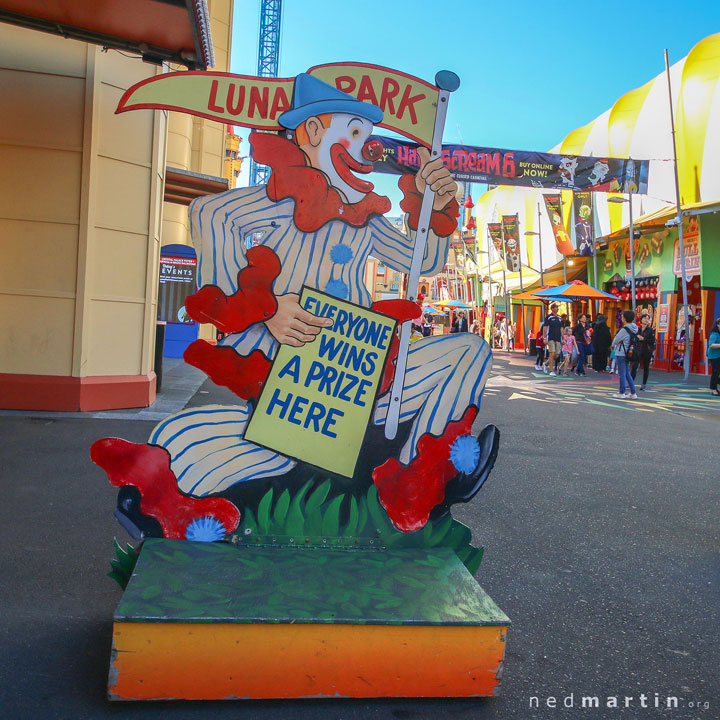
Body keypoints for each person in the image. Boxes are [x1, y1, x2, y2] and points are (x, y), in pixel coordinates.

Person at [611, 309, 639, 399]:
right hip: (629, 352)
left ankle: (622, 392)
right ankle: (633, 392)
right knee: (627, 373)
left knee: (622, 373)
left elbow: (615, 341)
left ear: (625, 318)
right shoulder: (635, 328)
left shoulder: (624, 330)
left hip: (621, 352)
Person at [630, 313, 656, 390]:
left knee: (646, 367)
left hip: (647, 351)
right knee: (634, 366)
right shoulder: (637, 329)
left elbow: (652, 340)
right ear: (641, 319)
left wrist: (643, 339)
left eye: (648, 318)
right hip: (638, 350)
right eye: (644, 318)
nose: (646, 320)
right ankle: (631, 383)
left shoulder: (650, 330)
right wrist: (637, 337)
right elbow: (633, 338)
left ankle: (643, 384)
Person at [542, 303, 563, 377]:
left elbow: (561, 328)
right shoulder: (549, 317)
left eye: (557, 307)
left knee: (557, 355)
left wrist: (563, 337)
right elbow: (545, 327)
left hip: (558, 337)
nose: (557, 309)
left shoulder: (560, 318)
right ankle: (551, 370)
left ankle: (546, 363)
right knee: (552, 353)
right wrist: (544, 337)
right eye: (556, 307)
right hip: (551, 337)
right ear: (552, 309)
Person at [708, 317, 720, 396]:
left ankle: (716, 386)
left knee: (718, 372)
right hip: (714, 356)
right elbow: (711, 345)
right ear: (718, 325)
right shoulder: (714, 334)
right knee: (716, 372)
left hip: (718, 355)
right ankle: (713, 390)